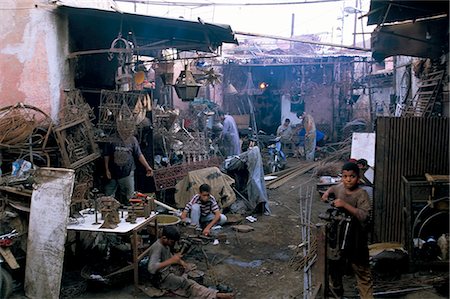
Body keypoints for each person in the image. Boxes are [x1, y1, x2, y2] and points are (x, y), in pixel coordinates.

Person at [321, 162, 373, 299]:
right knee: (334, 266)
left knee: (361, 271)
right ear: (342, 177)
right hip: (339, 236)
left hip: (356, 238)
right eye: (345, 176)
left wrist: (344, 205)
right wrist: (327, 193)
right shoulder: (340, 188)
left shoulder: (361, 194)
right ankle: (338, 292)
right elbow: (333, 188)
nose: (348, 180)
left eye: (352, 176)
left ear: (358, 177)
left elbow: (364, 215)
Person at [147, 226, 233, 299]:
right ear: (164, 237)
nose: (173, 244)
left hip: (168, 271)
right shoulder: (157, 247)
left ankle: (206, 290)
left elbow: (171, 258)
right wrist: (172, 260)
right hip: (161, 279)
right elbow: (151, 268)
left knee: (190, 269)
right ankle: (215, 295)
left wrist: (183, 264)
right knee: (188, 284)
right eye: (172, 242)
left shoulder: (165, 244)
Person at [104, 121, 153, 204]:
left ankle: (130, 212)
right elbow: (106, 155)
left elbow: (139, 154)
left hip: (127, 171)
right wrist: (107, 169)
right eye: (124, 128)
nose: (126, 130)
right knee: (108, 196)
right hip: (113, 172)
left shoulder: (132, 140)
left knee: (130, 197)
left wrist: (147, 167)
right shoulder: (112, 139)